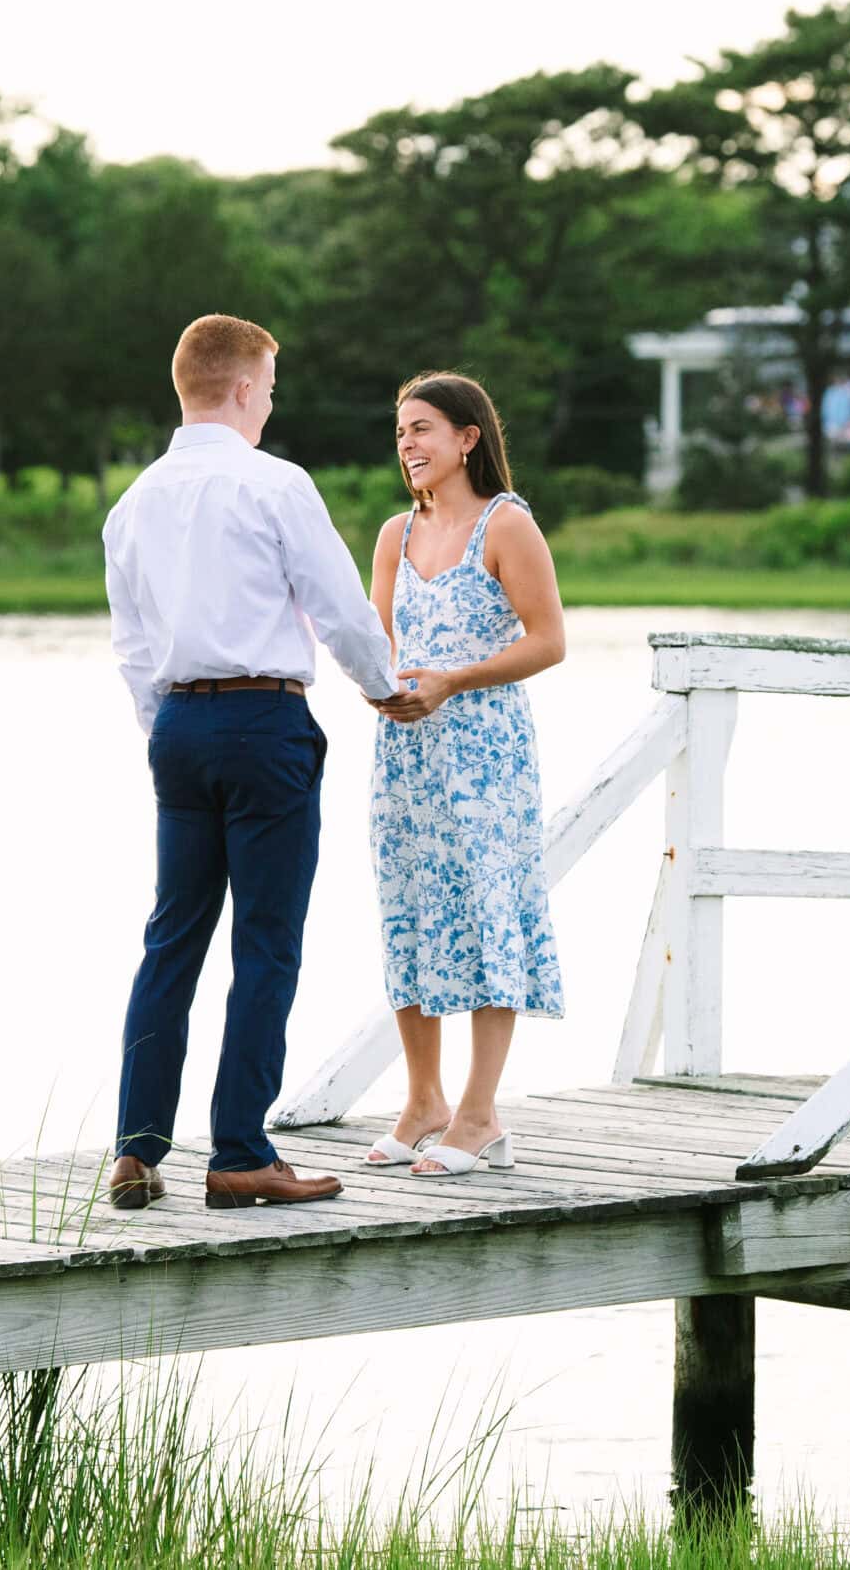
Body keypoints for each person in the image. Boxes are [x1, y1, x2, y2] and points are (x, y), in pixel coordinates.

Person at [101, 314, 401, 1211]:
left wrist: (169, 728)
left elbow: (131, 647)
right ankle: (239, 1153)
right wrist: (384, 685)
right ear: (239, 388)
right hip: (264, 722)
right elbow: (341, 610)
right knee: (266, 945)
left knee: (171, 940)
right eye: (268, 389)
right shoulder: (275, 485)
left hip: (177, 734)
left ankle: (137, 1150)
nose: (270, 405)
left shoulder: (134, 503)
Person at [363, 372, 568, 1178]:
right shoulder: (393, 535)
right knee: (408, 909)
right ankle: (424, 1102)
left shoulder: (506, 524)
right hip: (405, 753)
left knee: (488, 912)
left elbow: (549, 641)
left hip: (485, 751)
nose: (408, 444)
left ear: (467, 438)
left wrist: (453, 680)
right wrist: (383, 685)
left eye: (423, 430)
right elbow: (377, 639)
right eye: (401, 431)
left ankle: (481, 1115)